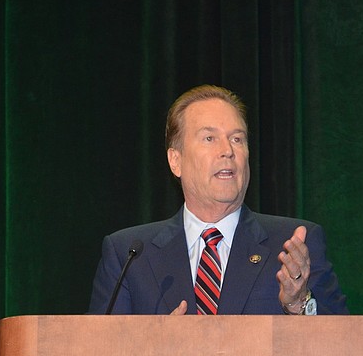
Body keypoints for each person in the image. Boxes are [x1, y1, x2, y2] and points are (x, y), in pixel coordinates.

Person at [88, 84, 348, 315]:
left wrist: (299, 303)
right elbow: (100, 351)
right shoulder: (129, 256)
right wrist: (157, 347)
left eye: (237, 139)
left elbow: (343, 343)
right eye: (209, 138)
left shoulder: (294, 245)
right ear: (175, 160)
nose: (227, 151)